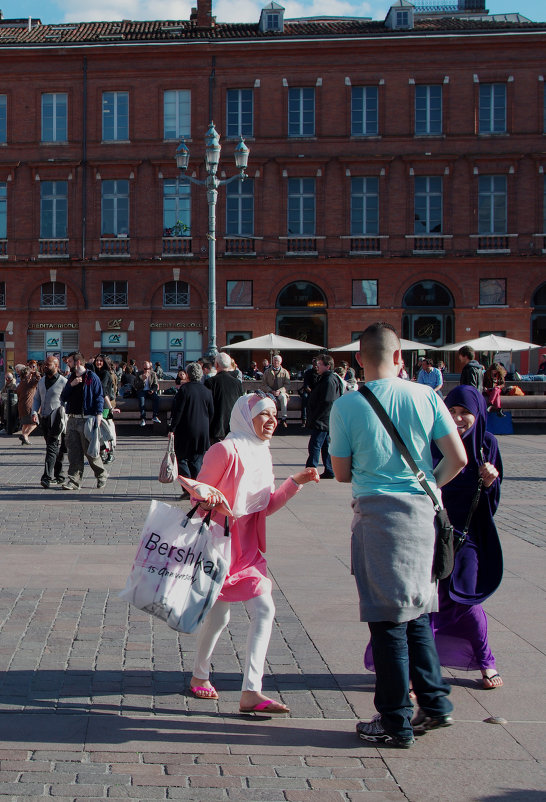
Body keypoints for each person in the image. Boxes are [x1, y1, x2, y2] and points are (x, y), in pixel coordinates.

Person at [329, 322, 467, 748]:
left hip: (377, 516)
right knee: (418, 612)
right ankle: (435, 702)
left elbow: (341, 472)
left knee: (387, 620)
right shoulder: (426, 395)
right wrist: (429, 486)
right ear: (400, 357)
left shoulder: (347, 405)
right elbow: (457, 457)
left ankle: (394, 719)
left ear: (358, 359)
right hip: (424, 514)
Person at [188, 392, 319, 712]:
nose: (272, 420)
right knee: (219, 618)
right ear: (246, 418)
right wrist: (210, 499)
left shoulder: (262, 451)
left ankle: (251, 690)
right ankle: (199, 675)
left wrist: (296, 481)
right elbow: (197, 497)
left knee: (264, 609)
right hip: (220, 547)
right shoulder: (225, 450)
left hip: (248, 552)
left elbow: (265, 505)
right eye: (264, 414)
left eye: (275, 413)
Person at [431, 385, 504, 691]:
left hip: (468, 536)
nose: (458, 419)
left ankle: (486, 661)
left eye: (465, 413)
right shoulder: (434, 442)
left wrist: (490, 481)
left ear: (478, 414)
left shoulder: (487, 445)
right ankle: (416, 668)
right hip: (433, 532)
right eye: (453, 412)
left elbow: (494, 504)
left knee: (466, 598)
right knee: (427, 603)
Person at [60, 352, 108, 490]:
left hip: (87, 419)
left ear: (78, 363)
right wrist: (72, 385)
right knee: (73, 452)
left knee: (90, 452)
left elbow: (99, 396)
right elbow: (63, 397)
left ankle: (101, 475)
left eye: (69, 362)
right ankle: (74, 481)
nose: (67, 364)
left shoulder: (92, 377)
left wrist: (99, 414)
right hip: (72, 419)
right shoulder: (71, 378)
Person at [168, 362, 214, 483]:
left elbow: (178, 411)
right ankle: (197, 485)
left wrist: (172, 428)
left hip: (186, 429)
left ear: (187, 375)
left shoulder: (184, 390)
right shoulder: (207, 391)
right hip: (202, 431)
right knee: (197, 459)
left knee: (181, 458)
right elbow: (211, 412)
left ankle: (188, 486)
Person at [31, 355, 67, 488]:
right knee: (54, 448)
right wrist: (35, 412)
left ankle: (46, 477)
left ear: (57, 366)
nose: (45, 366)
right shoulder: (41, 381)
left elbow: (67, 402)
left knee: (51, 447)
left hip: (57, 420)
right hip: (44, 419)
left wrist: (64, 415)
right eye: (45, 364)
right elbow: (36, 399)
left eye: (49, 364)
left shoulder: (64, 382)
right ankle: (60, 475)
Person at [305, 353, 343, 479]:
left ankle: (311, 469)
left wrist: (317, 416)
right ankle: (330, 469)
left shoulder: (329, 380)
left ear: (328, 366)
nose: (317, 367)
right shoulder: (327, 378)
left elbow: (328, 401)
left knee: (315, 444)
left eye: (320, 364)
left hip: (323, 418)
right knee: (325, 445)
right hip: (325, 418)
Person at [205, 352, 244, 443]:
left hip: (215, 427)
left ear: (216, 364)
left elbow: (207, 406)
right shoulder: (237, 383)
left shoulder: (210, 382)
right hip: (233, 427)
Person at [16, 361, 40, 444]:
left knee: (25, 424)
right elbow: (39, 379)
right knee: (35, 422)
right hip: (29, 406)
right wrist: (35, 372)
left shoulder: (20, 384)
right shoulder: (29, 383)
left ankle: (24, 439)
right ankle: (25, 435)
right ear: (27, 374)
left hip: (21, 406)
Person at [263, 354, 290, 427]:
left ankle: (284, 419)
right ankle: (270, 419)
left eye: (277, 361)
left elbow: (287, 384)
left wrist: (280, 391)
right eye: (274, 361)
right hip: (270, 392)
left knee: (283, 398)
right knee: (267, 400)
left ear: (280, 362)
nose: (276, 362)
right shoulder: (267, 372)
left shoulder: (285, 372)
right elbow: (263, 384)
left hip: (280, 392)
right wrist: (271, 391)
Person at [135, 361, 161, 426]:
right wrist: (142, 380)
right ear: (142, 368)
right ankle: (143, 418)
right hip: (142, 391)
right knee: (141, 401)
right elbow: (136, 386)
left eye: (148, 368)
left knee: (156, 398)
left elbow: (155, 384)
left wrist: (152, 390)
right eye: (145, 369)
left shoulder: (153, 374)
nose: (147, 370)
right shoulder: (139, 374)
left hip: (150, 390)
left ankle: (155, 416)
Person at [300, 358, 319, 425]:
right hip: (309, 390)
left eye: (317, 365)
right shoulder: (308, 372)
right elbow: (306, 385)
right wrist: (311, 392)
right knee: (305, 397)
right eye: (314, 365)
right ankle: (304, 419)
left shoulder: (321, 373)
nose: (315, 366)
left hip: (318, 391)